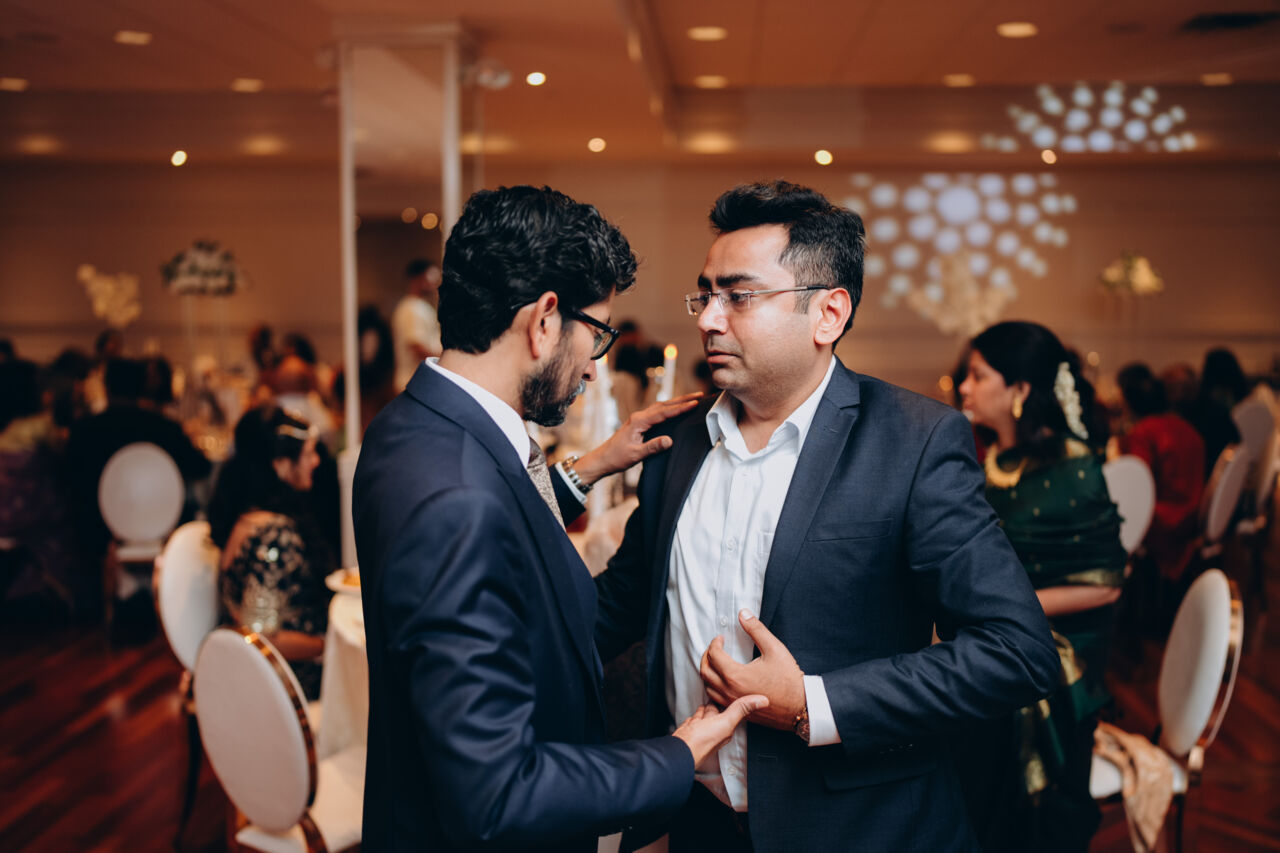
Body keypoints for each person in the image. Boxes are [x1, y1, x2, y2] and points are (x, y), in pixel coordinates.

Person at [592, 181, 1059, 853]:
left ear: (828, 313)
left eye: (739, 296)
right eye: (706, 294)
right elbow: (620, 604)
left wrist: (812, 704)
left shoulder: (913, 442)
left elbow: (1016, 651)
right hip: (698, 824)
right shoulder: (679, 442)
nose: (709, 320)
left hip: (859, 828)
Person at [353, 185, 764, 852]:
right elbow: (498, 793)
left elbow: (504, 526)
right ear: (545, 320)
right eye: (596, 336)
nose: (594, 371)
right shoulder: (455, 496)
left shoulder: (414, 422)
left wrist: (592, 467)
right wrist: (677, 754)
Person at [956, 320, 1128, 852]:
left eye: (978, 375)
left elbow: (1106, 584)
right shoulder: (993, 458)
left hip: (1059, 647)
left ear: (1020, 389)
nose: (963, 386)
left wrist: (1009, 611)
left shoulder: (1073, 466)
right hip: (996, 633)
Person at [207, 405, 332, 699]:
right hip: (288, 686)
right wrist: (328, 647)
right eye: (308, 454)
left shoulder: (246, 518)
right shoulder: (275, 537)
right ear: (281, 465)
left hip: (268, 678)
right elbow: (261, 636)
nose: (316, 461)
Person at [1117, 362, 1205, 579]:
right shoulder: (1188, 428)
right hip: (1192, 519)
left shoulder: (1144, 433)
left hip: (1162, 526)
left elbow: (1135, 488)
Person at [392, 258, 443, 390]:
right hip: (414, 382)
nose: (435, 284)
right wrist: (446, 361)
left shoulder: (421, 306)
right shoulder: (412, 308)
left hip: (419, 382)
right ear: (416, 279)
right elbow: (417, 347)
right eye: (431, 278)